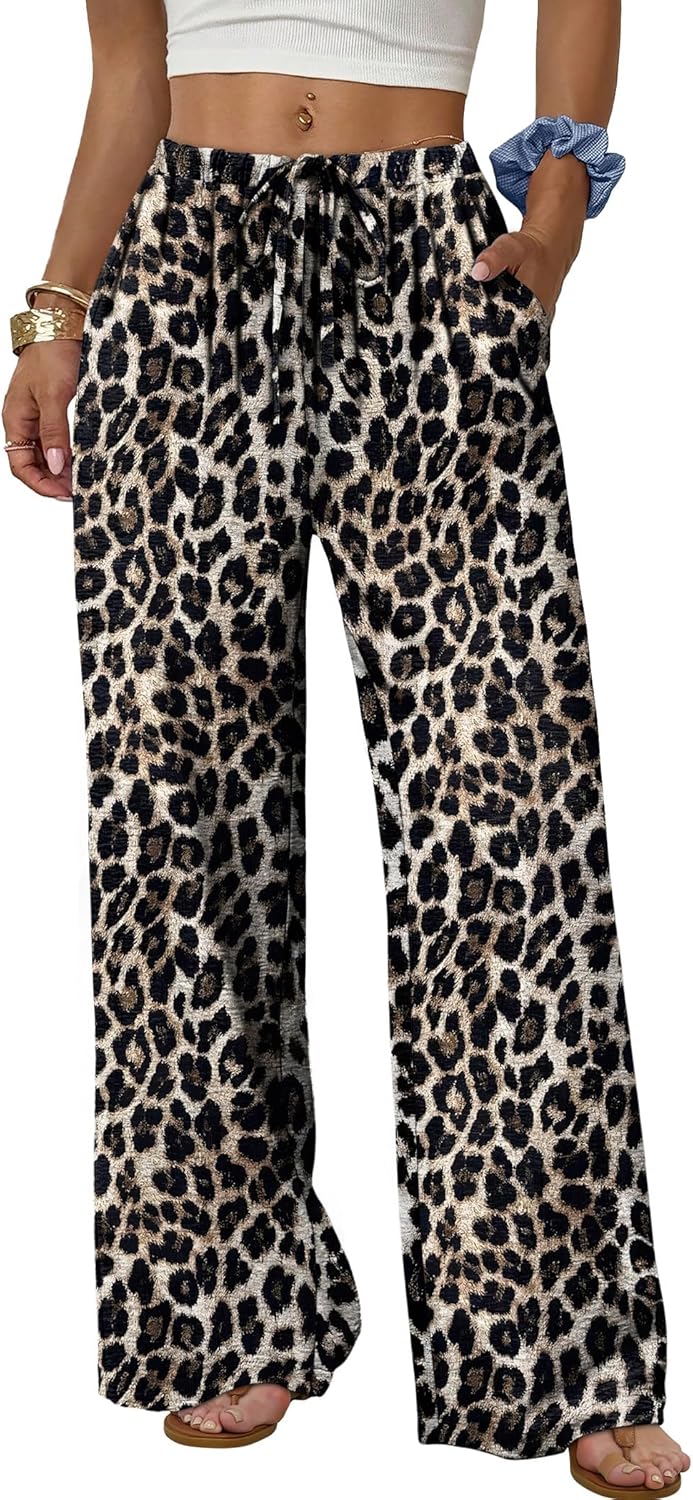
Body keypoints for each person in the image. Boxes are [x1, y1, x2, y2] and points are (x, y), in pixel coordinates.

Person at [2, 0, 689, 1492]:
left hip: (428, 260)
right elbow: (128, 73)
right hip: (180, 277)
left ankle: (558, 1347)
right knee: (176, 821)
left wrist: (555, 217)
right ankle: (225, 1307)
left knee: (507, 812)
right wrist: (54, 312)